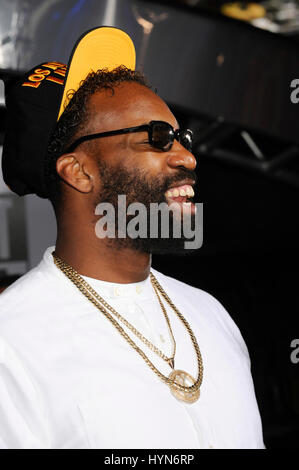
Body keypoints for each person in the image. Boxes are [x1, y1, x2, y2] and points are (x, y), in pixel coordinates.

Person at [0, 27, 264, 449]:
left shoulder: (211, 314)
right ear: (79, 171)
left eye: (182, 137)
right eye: (157, 137)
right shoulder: (11, 341)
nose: (187, 156)